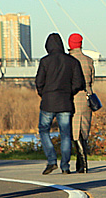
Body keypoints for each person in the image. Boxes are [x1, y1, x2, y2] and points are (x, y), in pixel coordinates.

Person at [35, 32, 84, 175]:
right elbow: (78, 83)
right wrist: (69, 92)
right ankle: (65, 166)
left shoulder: (45, 61)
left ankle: (51, 161)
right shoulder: (72, 61)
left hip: (48, 102)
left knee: (44, 130)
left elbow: (39, 82)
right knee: (66, 134)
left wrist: (44, 94)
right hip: (65, 102)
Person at [68, 32, 96, 173]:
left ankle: (82, 163)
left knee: (74, 131)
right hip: (87, 98)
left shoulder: (69, 60)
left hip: (73, 97)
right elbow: (92, 80)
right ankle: (82, 164)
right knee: (84, 130)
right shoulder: (89, 61)